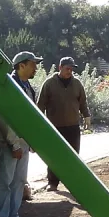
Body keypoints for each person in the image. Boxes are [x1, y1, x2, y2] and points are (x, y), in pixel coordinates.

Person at [0, 51, 39, 217]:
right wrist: (14, 144)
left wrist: (31, 140)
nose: (36, 67)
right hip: (10, 142)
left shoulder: (27, 86)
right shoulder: (9, 86)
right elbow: (5, 117)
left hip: (22, 142)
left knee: (18, 181)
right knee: (5, 181)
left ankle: (12, 216)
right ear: (22, 66)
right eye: (33, 64)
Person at [37, 56, 91, 191]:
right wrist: (40, 124)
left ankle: (73, 183)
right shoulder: (49, 83)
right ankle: (53, 182)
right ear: (60, 68)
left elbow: (83, 102)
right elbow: (41, 104)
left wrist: (87, 116)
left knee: (73, 156)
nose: (70, 71)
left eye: (72, 69)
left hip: (73, 126)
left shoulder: (77, 83)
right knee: (54, 156)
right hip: (55, 126)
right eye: (67, 68)